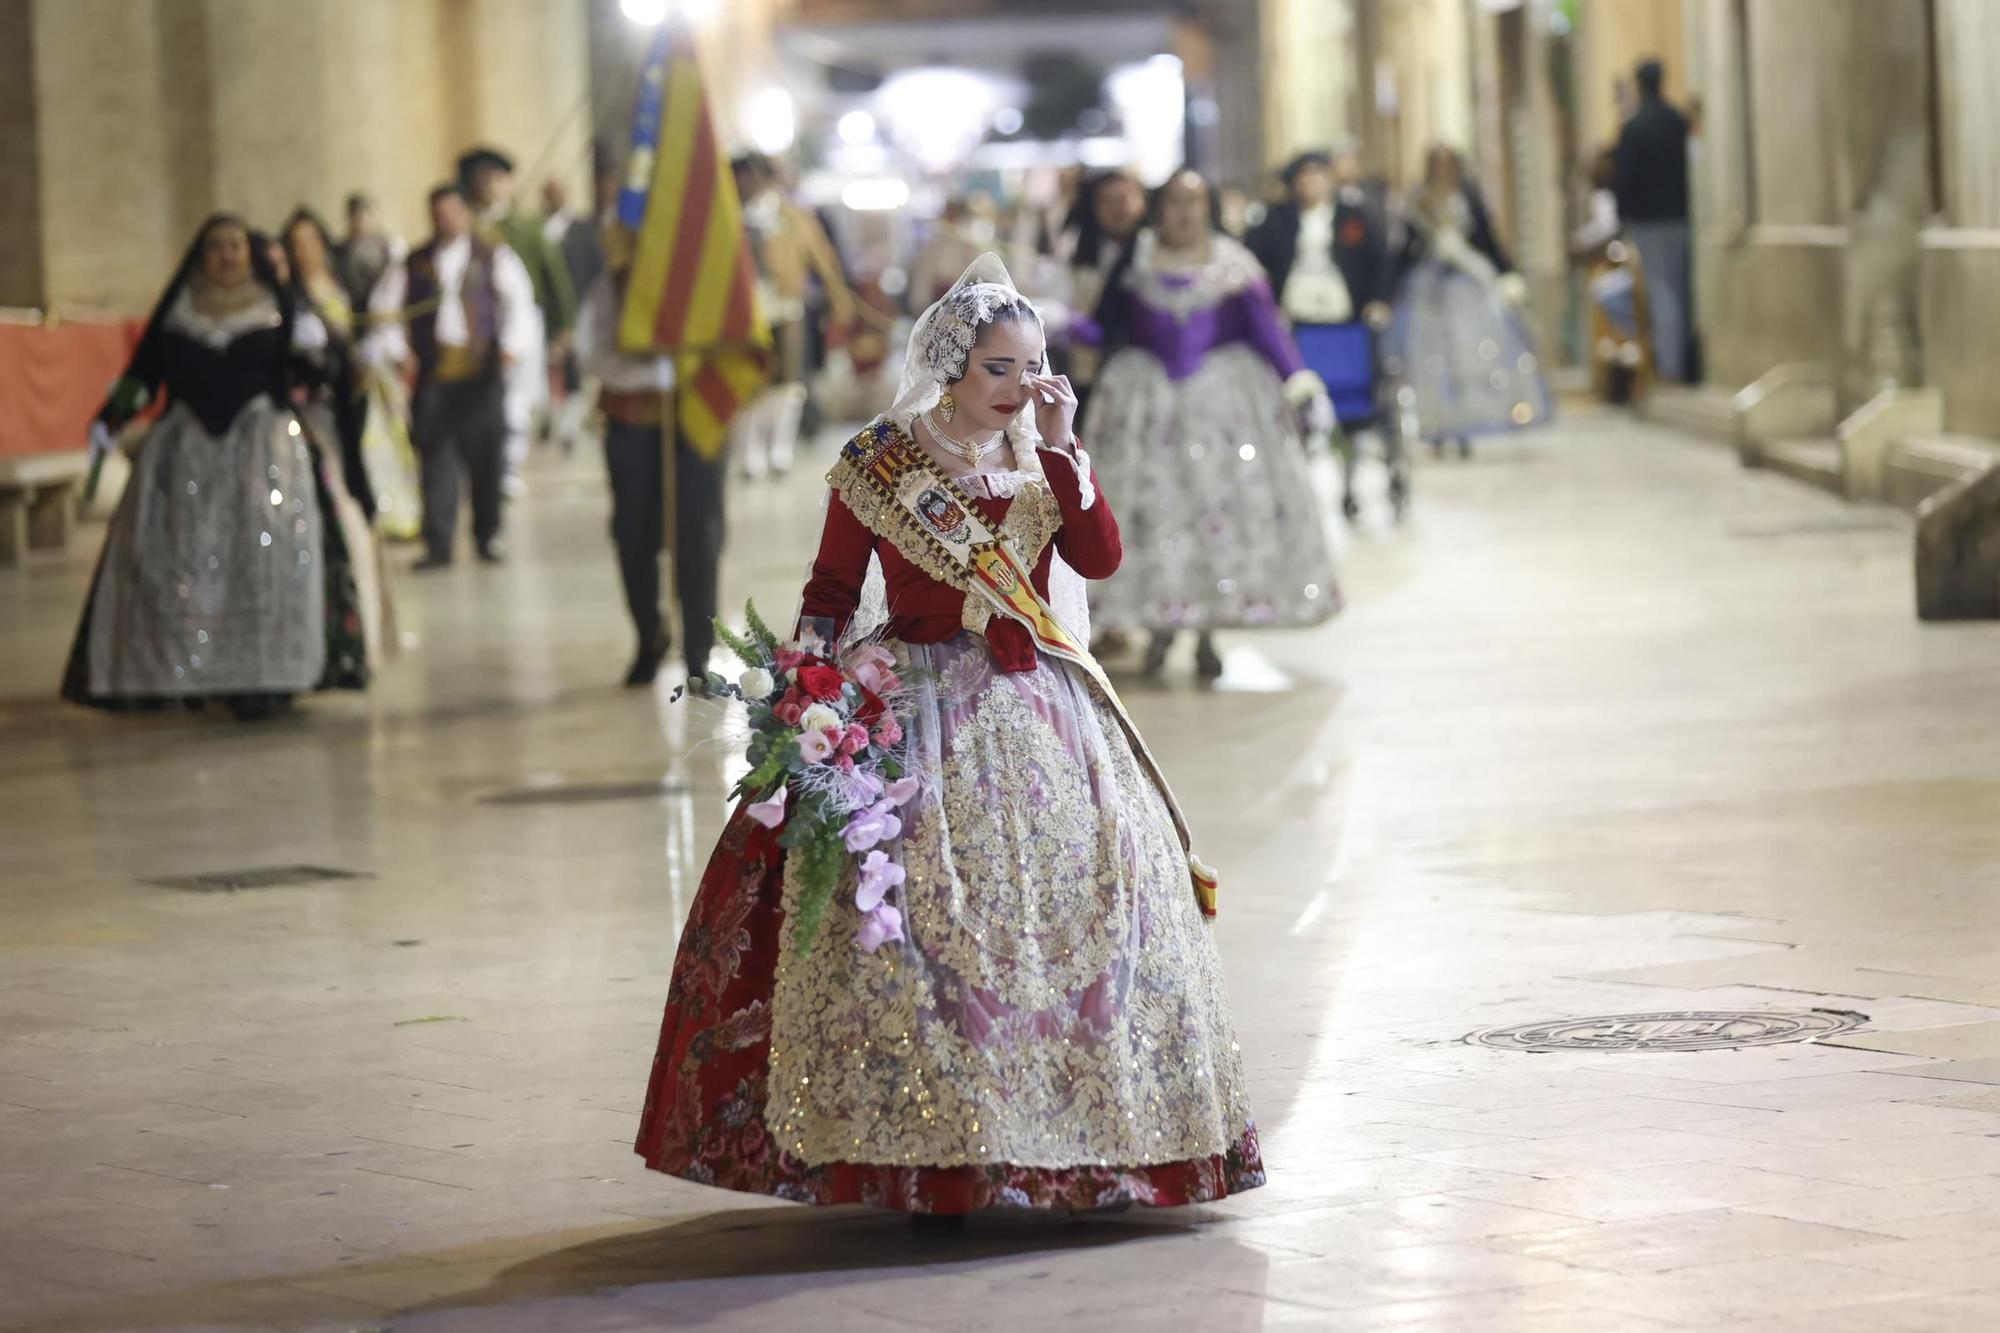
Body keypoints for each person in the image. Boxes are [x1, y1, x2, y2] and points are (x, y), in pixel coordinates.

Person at [634, 252, 1264, 1219]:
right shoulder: (881, 462)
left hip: (1041, 704)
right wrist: (810, 691)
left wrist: (1065, 446)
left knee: (1095, 896)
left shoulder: (1042, 460)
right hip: (916, 699)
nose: (1018, 388)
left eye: (1032, 366)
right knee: (916, 910)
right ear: (953, 366)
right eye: (999, 369)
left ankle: (1087, 1139)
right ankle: (939, 1149)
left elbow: (1099, 556)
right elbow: (832, 591)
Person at [62, 214, 368, 718]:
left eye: (236, 246)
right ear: (200, 255)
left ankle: (266, 678)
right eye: (215, 247)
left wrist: (334, 369)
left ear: (250, 254)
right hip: (184, 456)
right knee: (182, 561)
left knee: (265, 560)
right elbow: (144, 372)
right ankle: (183, 671)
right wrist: (112, 416)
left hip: (263, 453)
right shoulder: (178, 312)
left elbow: (308, 365)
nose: (226, 255)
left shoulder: (278, 308)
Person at [1079, 169, 1339, 681]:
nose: (1183, 212)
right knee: (1156, 513)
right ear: (1158, 209)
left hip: (1221, 415)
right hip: (1146, 412)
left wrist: (1300, 381)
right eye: (1174, 201)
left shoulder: (1234, 266)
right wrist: (1050, 317)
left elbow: (1269, 333)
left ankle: (1206, 632)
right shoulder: (1135, 263)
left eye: (1194, 201)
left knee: (1211, 511)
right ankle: (1158, 627)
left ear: (1210, 208)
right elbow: (1103, 325)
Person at [573, 227, 725, 688]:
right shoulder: (611, 285)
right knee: (634, 537)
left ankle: (698, 652)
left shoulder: (705, 284)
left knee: (697, 537)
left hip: (695, 425)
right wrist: (648, 370)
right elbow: (590, 352)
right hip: (633, 426)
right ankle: (649, 634)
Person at [367, 183, 538, 569]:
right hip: (435, 374)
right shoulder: (414, 263)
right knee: (436, 459)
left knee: (486, 458)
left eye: (452, 213)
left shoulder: (493, 256)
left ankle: (487, 534)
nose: (446, 221)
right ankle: (439, 541)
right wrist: (399, 352)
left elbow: (519, 304)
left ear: (465, 213)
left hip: (480, 373)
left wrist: (511, 346)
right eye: (438, 214)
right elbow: (384, 312)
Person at [1247, 145, 1397, 519]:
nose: (1311, 183)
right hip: (1298, 323)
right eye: (1304, 177)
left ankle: (1352, 482)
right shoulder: (1275, 220)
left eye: (1318, 175)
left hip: (1345, 322)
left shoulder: (1353, 215)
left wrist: (1378, 301)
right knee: (1302, 406)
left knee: (1353, 409)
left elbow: (1380, 262)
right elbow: (1253, 266)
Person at [1390, 146, 1551, 457]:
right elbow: (1403, 252)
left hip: (1465, 293)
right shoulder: (1418, 202)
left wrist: (1507, 273)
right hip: (1430, 295)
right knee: (1433, 364)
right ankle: (1437, 427)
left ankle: (1465, 427)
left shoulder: (1468, 198)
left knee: (1470, 360)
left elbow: (1488, 239)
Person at [730, 152, 853, 480]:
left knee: (789, 381)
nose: (746, 184)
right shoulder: (727, 216)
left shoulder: (793, 216)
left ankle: (779, 448)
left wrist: (839, 299)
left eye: (751, 176)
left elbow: (823, 260)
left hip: (785, 307)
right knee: (746, 380)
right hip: (743, 314)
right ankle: (749, 451)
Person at [459, 146, 576, 491]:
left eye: (496, 178)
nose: (489, 186)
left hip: (523, 320)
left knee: (516, 395)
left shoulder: (526, 226)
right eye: (481, 179)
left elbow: (555, 278)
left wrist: (563, 327)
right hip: (476, 324)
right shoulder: (469, 225)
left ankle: (509, 465)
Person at [1613, 59, 1693, 383]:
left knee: (1661, 293)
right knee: (1678, 290)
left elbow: (1626, 177)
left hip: (1650, 222)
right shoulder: (1675, 121)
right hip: (1678, 217)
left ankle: (1670, 367)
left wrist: (1624, 217)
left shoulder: (1636, 126)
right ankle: (1676, 360)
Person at [1055, 169, 1145, 433]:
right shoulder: (1074, 253)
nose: (1118, 208)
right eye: (1108, 201)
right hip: (1088, 374)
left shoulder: (1153, 251)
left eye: (1125, 198)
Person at [334, 192, 404, 322]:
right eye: (355, 214)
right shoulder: (342, 249)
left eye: (364, 212)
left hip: (384, 310)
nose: (360, 218)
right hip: (354, 309)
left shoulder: (389, 245)